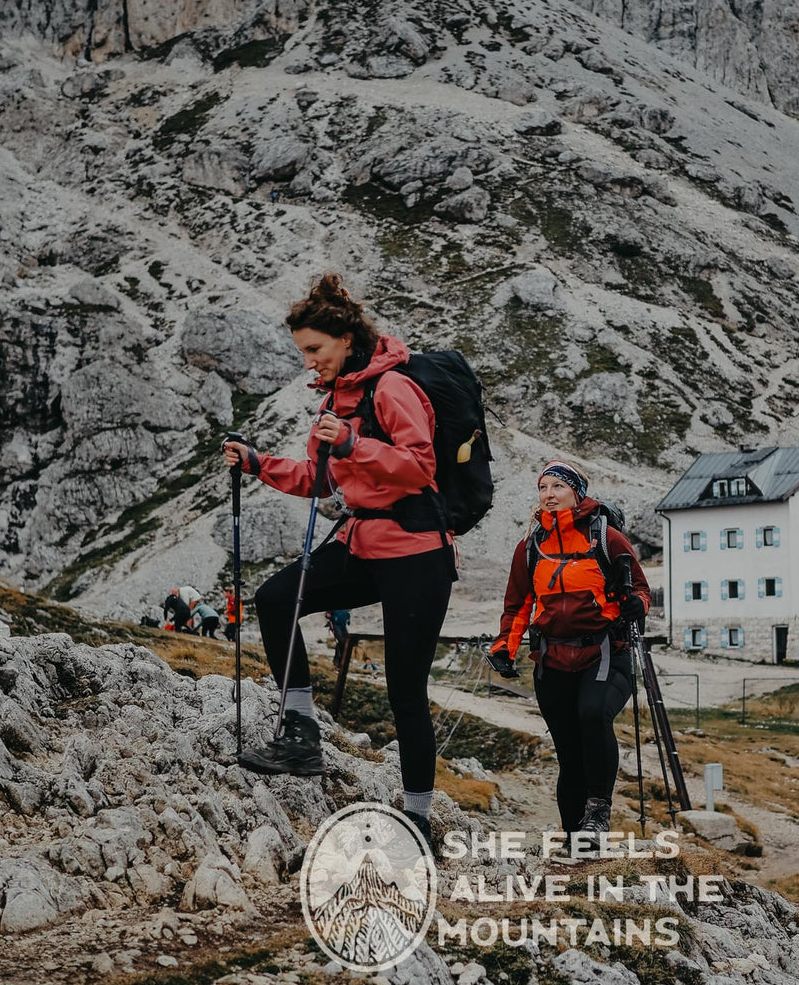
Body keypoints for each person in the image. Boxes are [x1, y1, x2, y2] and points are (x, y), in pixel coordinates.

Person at [221, 272, 455, 841]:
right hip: (363, 543)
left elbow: (420, 465)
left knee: (405, 689)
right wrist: (257, 463)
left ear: (346, 339)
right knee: (276, 598)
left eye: (314, 350)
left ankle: (418, 819)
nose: (309, 363)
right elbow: (319, 480)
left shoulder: (393, 388)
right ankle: (301, 733)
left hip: (417, 554)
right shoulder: (333, 399)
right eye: (303, 352)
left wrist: (353, 443)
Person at [490, 460, 650, 846]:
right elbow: (518, 605)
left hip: (604, 652)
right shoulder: (530, 547)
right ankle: (572, 832)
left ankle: (597, 816)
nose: (548, 494)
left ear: (576, 492)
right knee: (567, 746)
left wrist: (637, 606)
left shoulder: (606, 538)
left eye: (557, 487)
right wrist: (504, 648)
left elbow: (642, 590)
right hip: (552, 659)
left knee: (592, 716)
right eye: (543, 488)